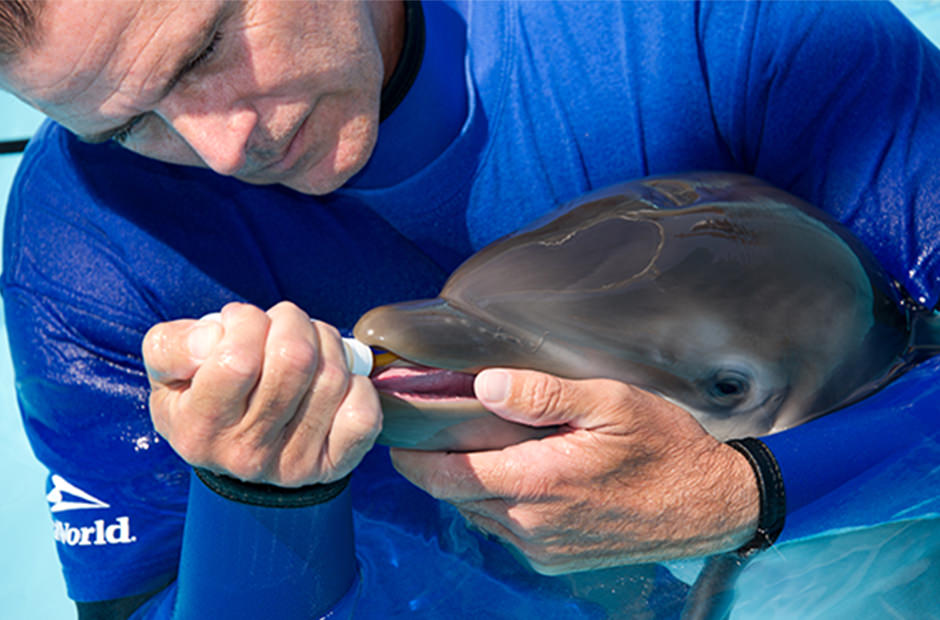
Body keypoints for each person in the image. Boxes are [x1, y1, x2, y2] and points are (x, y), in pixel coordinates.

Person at [1, 0, 938, 617]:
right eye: (127, 125)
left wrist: (739, 493)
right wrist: (261, 498)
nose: (221, 146)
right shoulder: (89, 249)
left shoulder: (711, 22)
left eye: (206, 46)